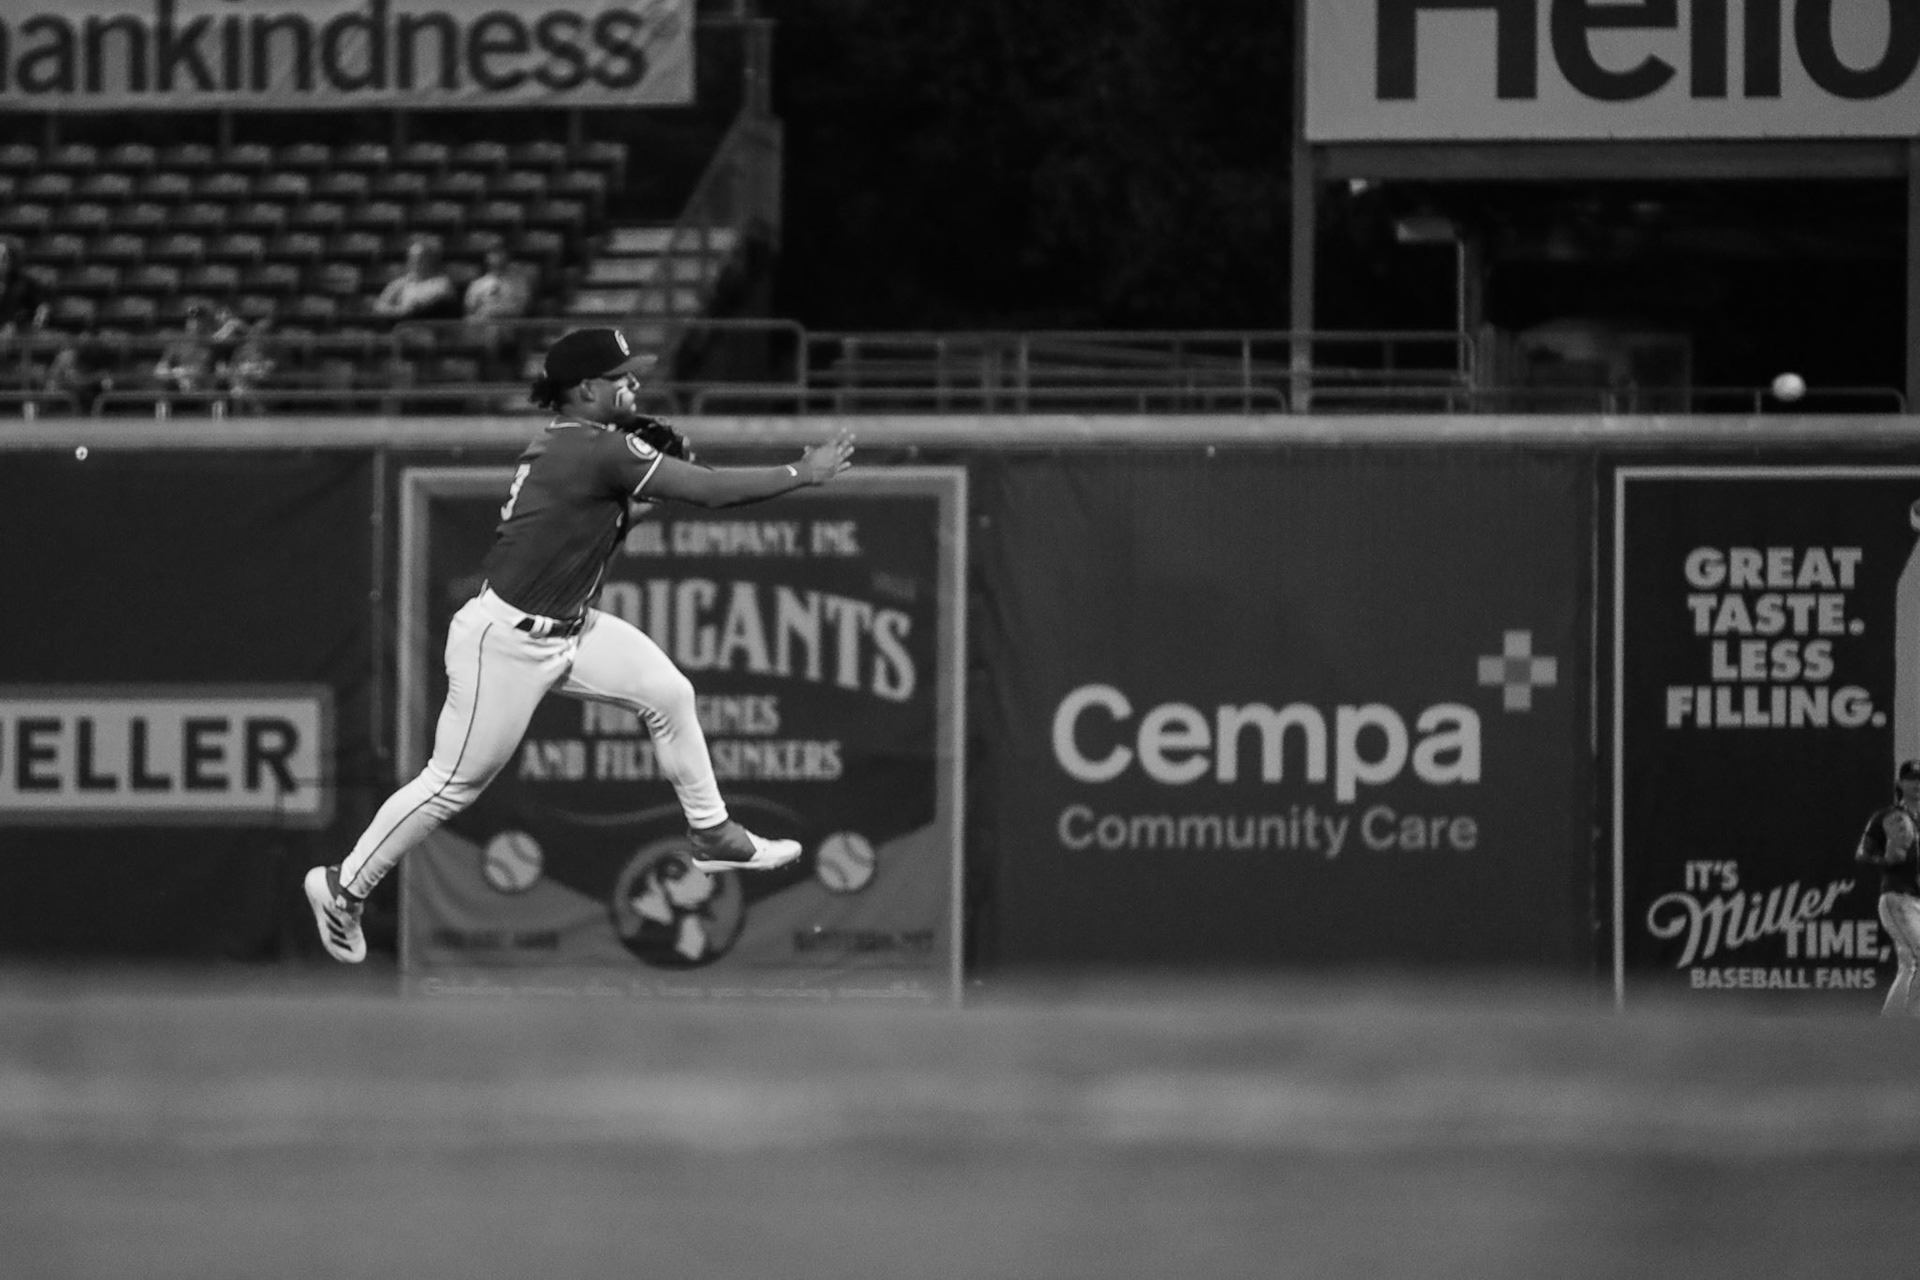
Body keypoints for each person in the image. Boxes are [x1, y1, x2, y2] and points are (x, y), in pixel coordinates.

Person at [304, 326, 858, 963]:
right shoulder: (594, 450)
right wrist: (802, 472)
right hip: (505, 645)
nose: (634, 385)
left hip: (570, 627)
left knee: (669, 693)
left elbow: (604, 524)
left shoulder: (576, 446)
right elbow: (710, 492)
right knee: (452, 784)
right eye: (621, 377)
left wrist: (645, 492)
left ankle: (713, 834)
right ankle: (344, 886)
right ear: (587, 388)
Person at [1854, 758, 1920, 1016]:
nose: (1917, 784)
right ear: (1900, 784)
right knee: (1917, 960)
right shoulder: (1887, 816)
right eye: (1912, 779)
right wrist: (1884, 860)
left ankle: (1888, 1029)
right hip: (1897, 897)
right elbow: (1862, 853)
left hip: (1916, 900)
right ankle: (1913, 1025)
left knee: (1907, 966)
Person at [372, 235, 460, 322]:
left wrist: (408, 311)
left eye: (421, 258)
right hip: (403, 328)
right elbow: (380, 307)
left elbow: (424, 306)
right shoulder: (399, 284)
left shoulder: (442, 283)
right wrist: (399, 312)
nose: (415, 262)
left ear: (431, 260)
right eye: (412, 258)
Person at [153, 305, 215, 404]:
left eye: (199, 319)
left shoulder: (213, 343)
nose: (195, 322)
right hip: (178, 385)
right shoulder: (178, 342)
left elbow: (217, 371)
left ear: (206, 322)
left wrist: (189, 374)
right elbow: (160, 370)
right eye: (191, 319)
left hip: (204, 387)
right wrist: (177, 373)